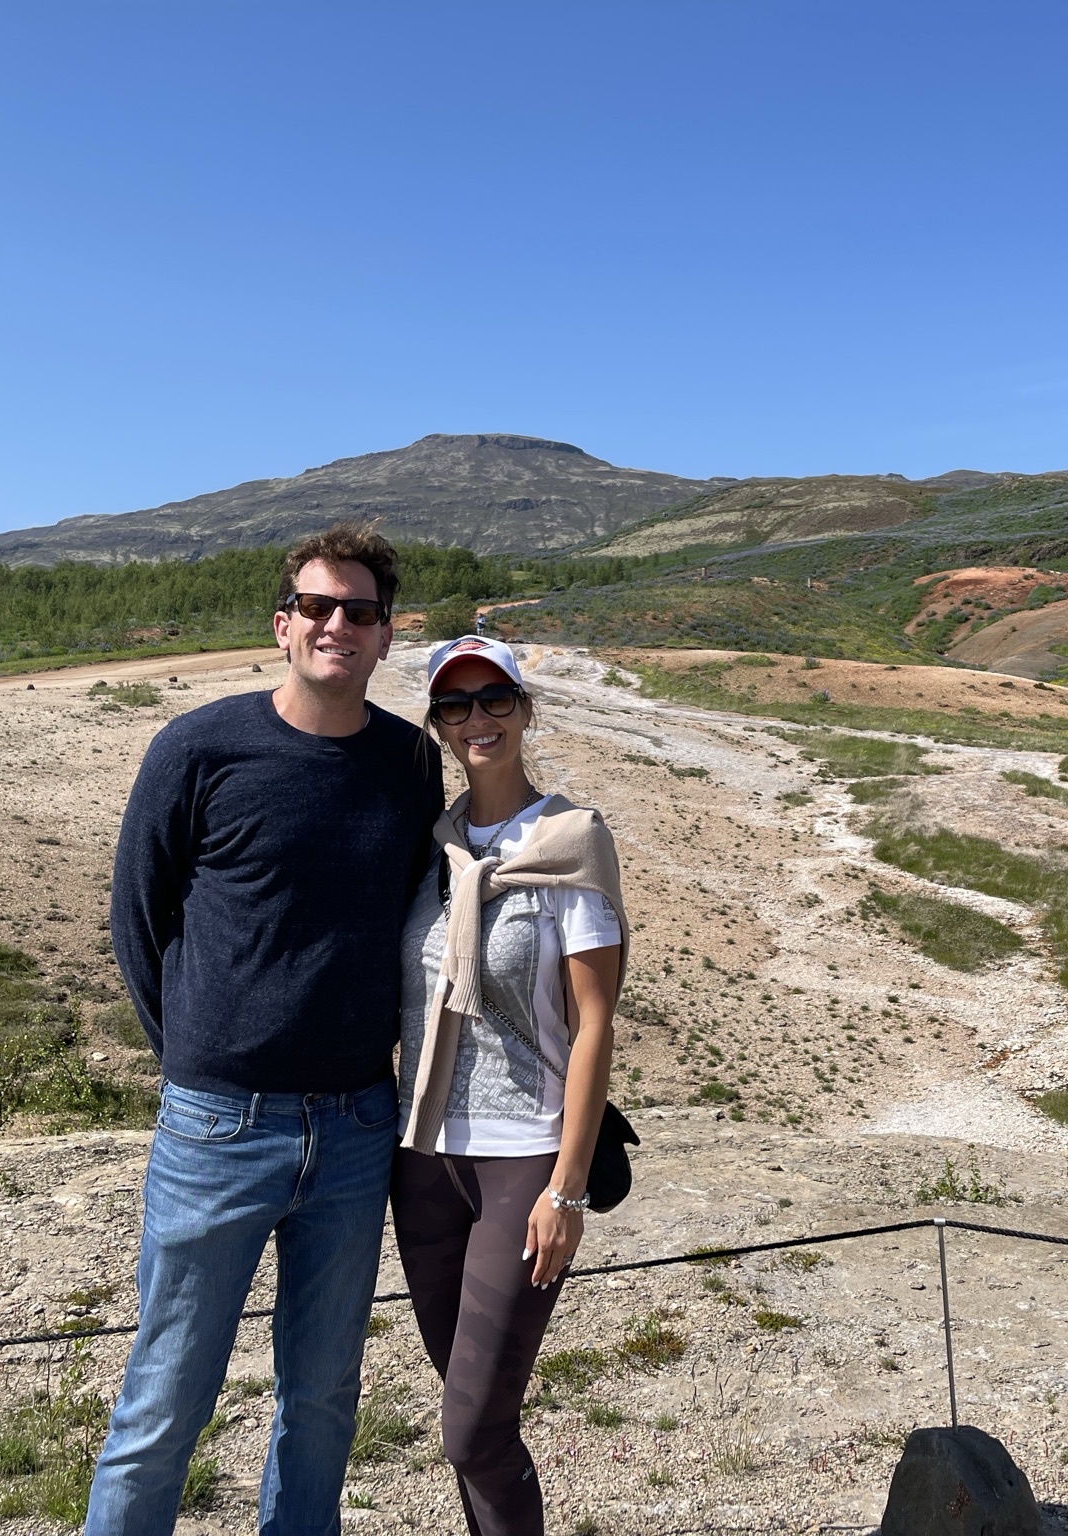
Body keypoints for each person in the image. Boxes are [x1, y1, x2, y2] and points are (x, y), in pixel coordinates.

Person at [87, 524, 444, 1536]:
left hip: (356, 1127)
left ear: (385, 636)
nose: (338, 625)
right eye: (318, 607)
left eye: (360, 611)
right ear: (282, 625)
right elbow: (137, 918)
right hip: (216, 1126)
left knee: (323, 1400)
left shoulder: (410, 763)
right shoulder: (197, 748)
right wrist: (198, 1057)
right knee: (163, 1403)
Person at [393, 635, 627, 1536]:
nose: (477, 719)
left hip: (523, 1160)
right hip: (423, 1161)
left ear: (526, 710)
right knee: (471, 1416)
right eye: (455, 705)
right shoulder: (434, 850)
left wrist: (567, 1190)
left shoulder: (571, 844)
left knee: (471, 1430)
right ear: (438, 726)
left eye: (495, 698)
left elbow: (595, 1023)